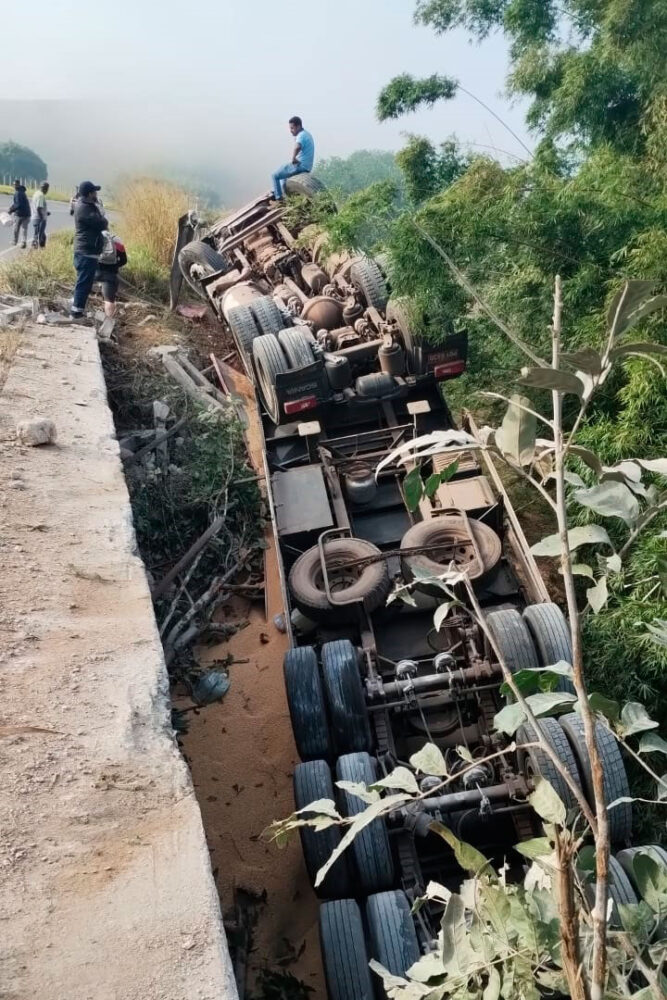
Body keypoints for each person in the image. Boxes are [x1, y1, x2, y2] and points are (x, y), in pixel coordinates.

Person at [71, 181, 108, 318]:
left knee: (83, 282)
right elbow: (102, 223)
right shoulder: (85, 208)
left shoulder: (86, 206)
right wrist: (100, 211)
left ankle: (76, 307)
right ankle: (76, 312)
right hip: (86, 252)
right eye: (94, 192)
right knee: (84, 283)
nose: (96, 194)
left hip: (85, 251)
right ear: (89, 194)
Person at [271, 116, 315, 202]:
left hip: (300, 165)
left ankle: (278, 198)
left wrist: (294, 158)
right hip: (307, 167)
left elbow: (297, 147)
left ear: (298, 126)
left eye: (292, 128)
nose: (290, 130)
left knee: (274, 175)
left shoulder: (301, 135)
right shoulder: (307, 134)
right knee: (284, 176)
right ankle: (285, 194)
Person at [95, 233, 127, 319]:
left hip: (93, 272)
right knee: (109, 301)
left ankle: (78, 315)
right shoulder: (116, 239)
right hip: (109, 274)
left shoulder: (92, 236)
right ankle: (108, 323)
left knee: (83, 292)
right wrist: (114, 266)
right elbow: (124, 260)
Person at [7, 179, 30, 248]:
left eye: (16, 184)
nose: (15, 186)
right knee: (24, 228)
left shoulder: (18, 193)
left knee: (16, 228)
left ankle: (15, 241)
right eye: (14, 184)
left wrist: (10, 210)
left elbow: (18, 204)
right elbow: (17, 203)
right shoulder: (22, 192)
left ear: (18, 185)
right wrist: (12, 208)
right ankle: (23, 242)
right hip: (27, 213)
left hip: (20, 214)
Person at [31, 182, 50, 248]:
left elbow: (38, 207)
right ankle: (35, 250)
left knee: (42, 236)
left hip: (34, 217)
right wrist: (42, 217)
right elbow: (38, 208)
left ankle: (41, 249)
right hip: (39, 218)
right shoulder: (41, 195)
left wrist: (45, 212)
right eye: (47, 189)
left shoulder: (36, 193)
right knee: (39, 236)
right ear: (46, 188)